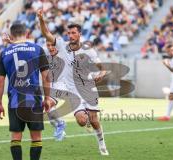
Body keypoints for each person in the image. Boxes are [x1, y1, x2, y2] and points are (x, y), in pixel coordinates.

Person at [37, 9, 109, 155]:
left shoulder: (89, 50)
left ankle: (102, 144)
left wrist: (101, 74)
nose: (70, 36)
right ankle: (85, 118)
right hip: (73, 91)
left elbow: (103, 68)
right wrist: (41, 19)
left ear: (80, 34)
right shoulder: (63, 46)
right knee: (81, 121)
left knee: (94, 121)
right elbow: (47, 34)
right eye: (69, 33)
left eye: (73, 33)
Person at [0, 22, 51, 160]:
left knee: (15, 137)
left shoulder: (4, 53)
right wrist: (48, 98)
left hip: (15, 101)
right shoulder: (38, 49)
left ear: (11, 35)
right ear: (27, 34)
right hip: (34, 101)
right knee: (36, 138)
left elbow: (0, 81)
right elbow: (46, 77)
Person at [2, 34, 66, 141]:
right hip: (50, 84)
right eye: (48, 45)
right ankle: (59, 125)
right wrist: (11, 42)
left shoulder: (64, 52)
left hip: (61, 84)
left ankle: (61, 123)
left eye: (52, 45)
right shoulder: (44, 51)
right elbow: (28, 46)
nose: (50, 48)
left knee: (48, 103)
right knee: (47, 109)